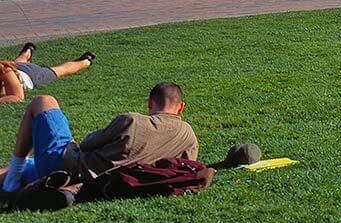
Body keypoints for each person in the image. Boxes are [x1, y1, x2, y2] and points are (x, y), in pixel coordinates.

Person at [4, 82, 198, 195]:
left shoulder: (131, 121)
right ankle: (17, 174)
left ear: (150, 103)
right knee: (30, 166)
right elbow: (184, 166)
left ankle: (12, 180)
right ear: (181, 107)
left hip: (67, 168)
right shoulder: (188, 136)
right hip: (103, 184)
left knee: (43, 101)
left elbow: (87, 143)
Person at [1, 45, 96, 105]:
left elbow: (18, 97)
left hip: (32, 75)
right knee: (17, 63)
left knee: (60, 70)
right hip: (17, 67)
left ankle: (86, 61)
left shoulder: (4, 70)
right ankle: (27, 52)